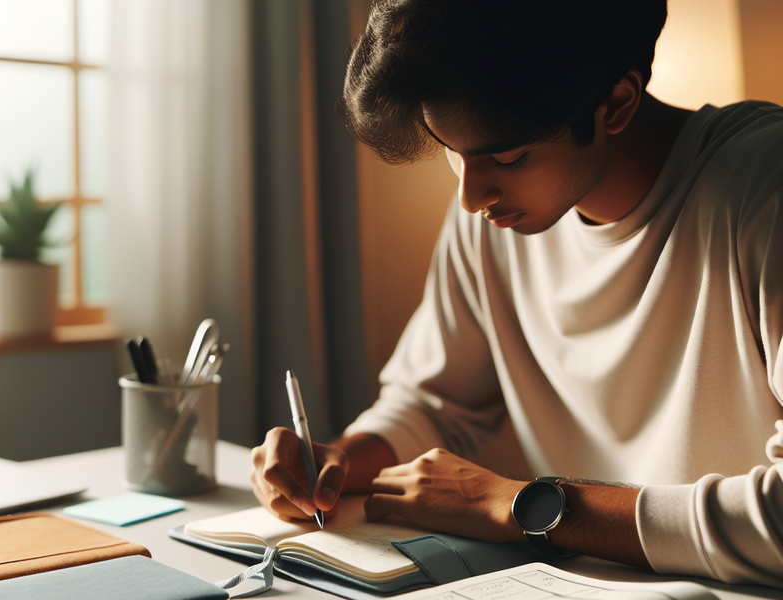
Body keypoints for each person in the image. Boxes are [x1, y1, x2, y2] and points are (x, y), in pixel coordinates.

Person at [251, 0, 783, 587]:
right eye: (453, 151)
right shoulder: (498, 218)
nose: (470, 198)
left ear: (616, 103)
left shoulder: (763, 191)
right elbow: (435, 401)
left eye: (507, 158)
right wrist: (344, 458)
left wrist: (523, 505)